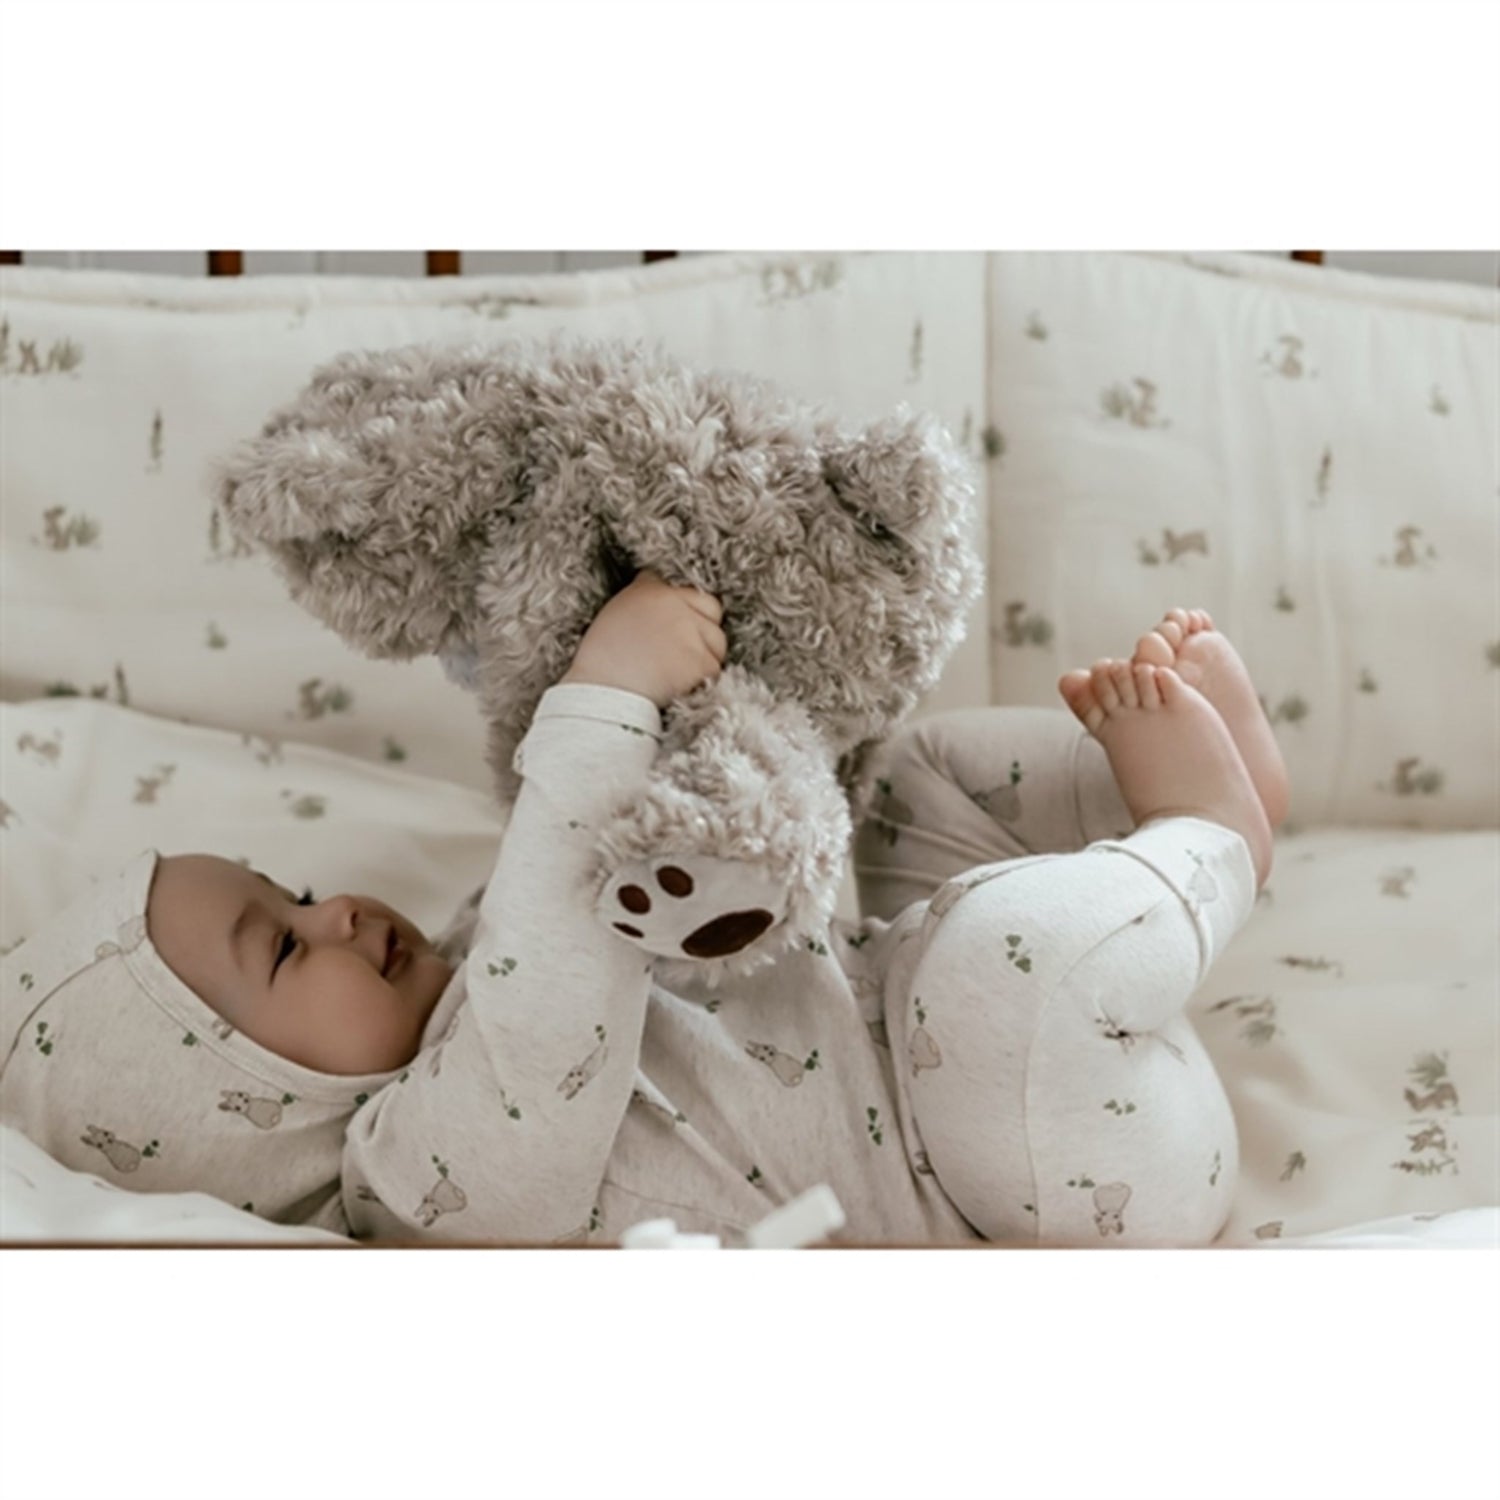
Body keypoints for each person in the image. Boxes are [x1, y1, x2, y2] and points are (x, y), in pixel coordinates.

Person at [0, 576, 1283, 1246]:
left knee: (904, 785)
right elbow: (552, 976)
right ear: (249, 1116)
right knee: (996, 966)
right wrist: (603, 689)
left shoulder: (469, 953)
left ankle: (1130, 803)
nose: (334, 908)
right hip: (1060, 1176)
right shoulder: (421, 1191)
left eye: (295, 893)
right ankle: (1212, 838)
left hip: (951, 1035)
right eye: (283, 944)